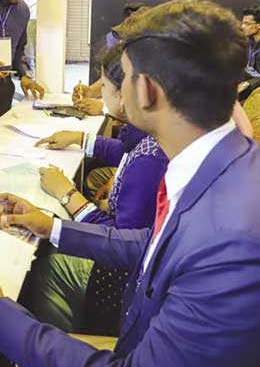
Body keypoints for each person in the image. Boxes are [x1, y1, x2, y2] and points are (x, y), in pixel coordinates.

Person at [0, 0, 260, 366]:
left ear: (145, 91)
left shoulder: (239, 240)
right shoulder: (222, 162)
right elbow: (154, 244)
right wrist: (52, 226)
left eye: (121, 76)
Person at [28, 44, 168, 335]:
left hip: (123, 283)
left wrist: (68, 195)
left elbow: (119, 243)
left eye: (104, 86)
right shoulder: (152, 134)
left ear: (129, 92)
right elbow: (124, 150)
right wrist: (80, 139)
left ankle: (72, 343)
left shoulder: (149, 163)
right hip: (140, 265)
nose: (100, 93)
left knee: (47, 268)